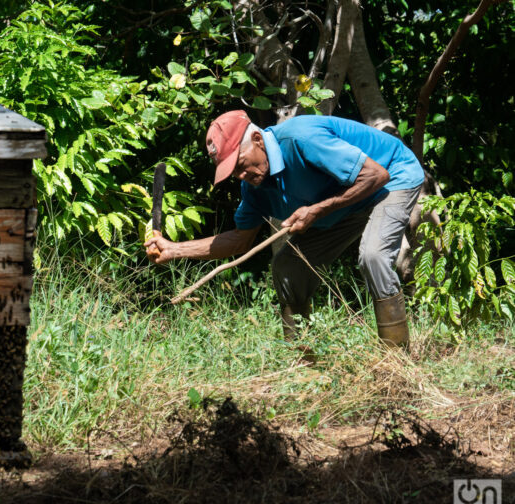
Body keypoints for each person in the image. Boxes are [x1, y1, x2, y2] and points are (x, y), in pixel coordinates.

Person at [144, 110, 424, 347]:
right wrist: (173, 249)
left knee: (373, 255)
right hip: (344, 203)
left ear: (257, 139)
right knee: (288, 267)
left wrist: (316, 210)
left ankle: (395, 365)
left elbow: (375, 175)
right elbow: (241, 240)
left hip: (390, 179)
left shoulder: (301, 138)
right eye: (234, 173)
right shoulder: (254, 187)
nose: (243, 177)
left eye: (241, 165)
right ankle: (302, 360)